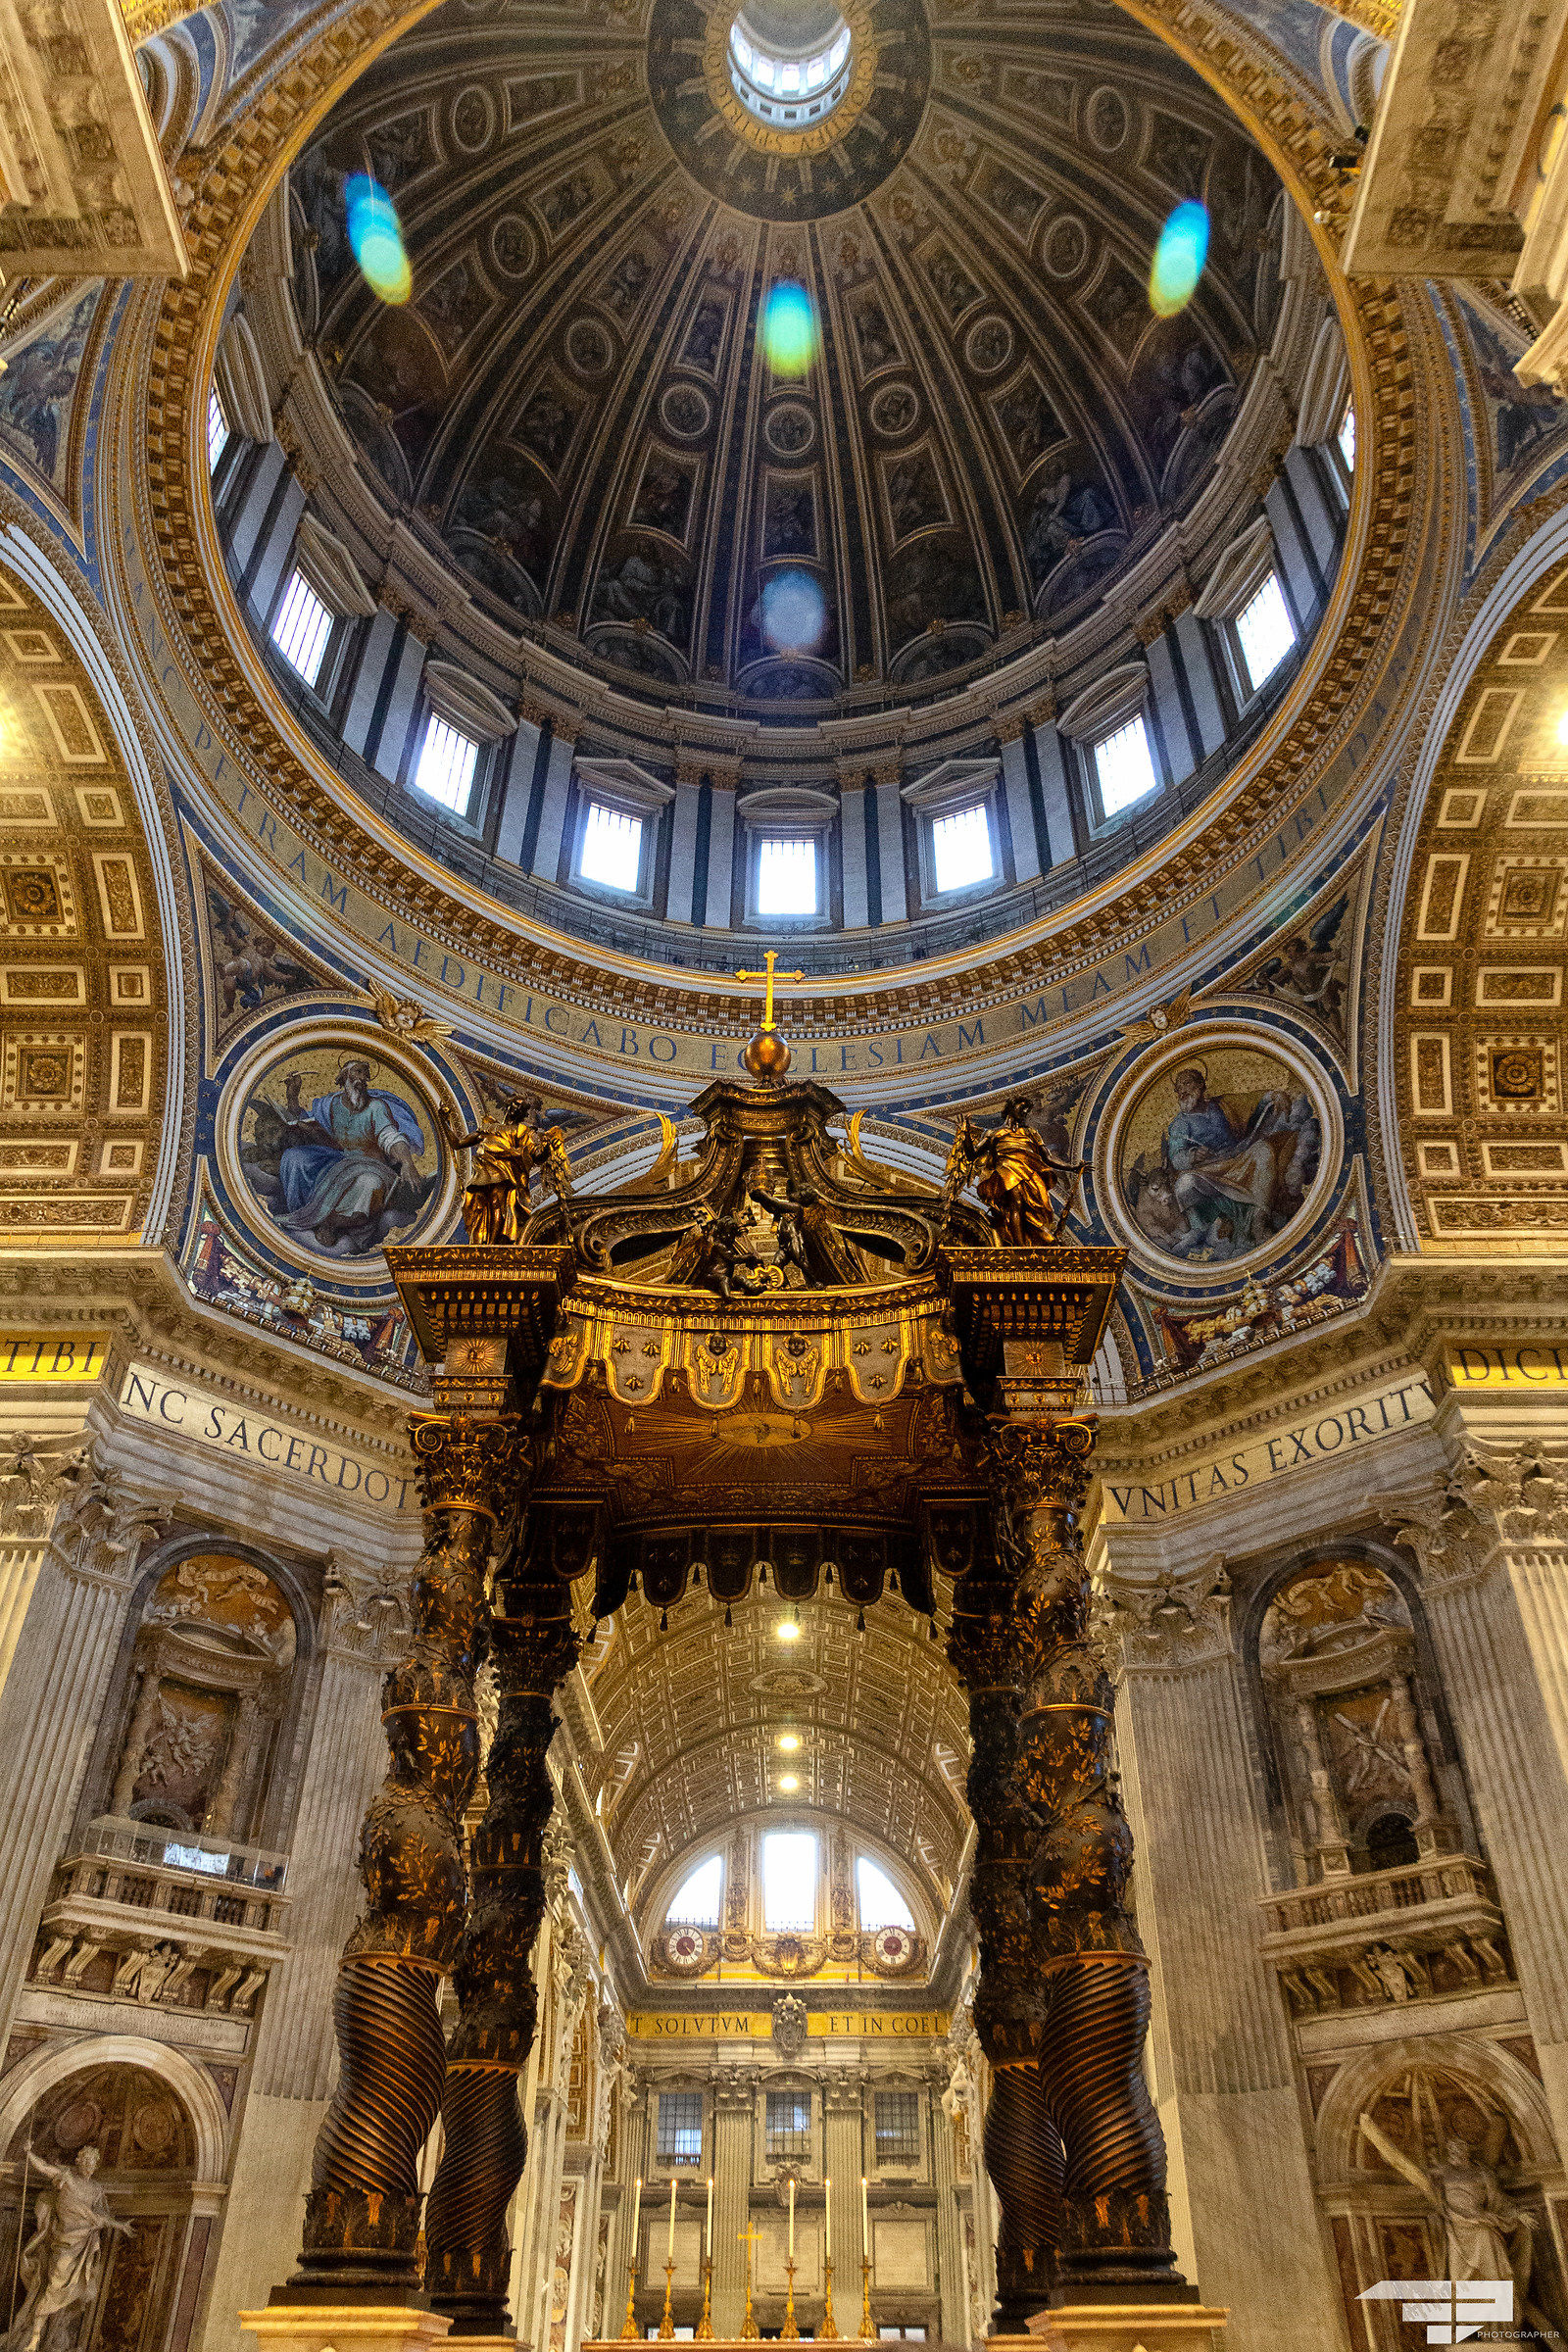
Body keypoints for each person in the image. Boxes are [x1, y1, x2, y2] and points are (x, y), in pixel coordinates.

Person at [269, 1059, 427, 1255]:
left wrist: (407, 1162)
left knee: (368, 1183)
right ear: (343, 1076)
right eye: (358, 1072)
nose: (362, 1078)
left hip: (372, 1166)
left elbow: (390, 1137)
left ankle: (332, 1224)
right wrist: (292, 1097)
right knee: (294, 1157)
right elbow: (305, 1119)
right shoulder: (330, 1104)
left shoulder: (375, 1107)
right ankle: (302, 1213)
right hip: (339, 1160)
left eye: (365, 1074)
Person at [3, 2146, 130, 2352]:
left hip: (82, 2244)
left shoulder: (97, 2190)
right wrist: (28, 2152)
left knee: (64, 2289)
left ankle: (40, 2336)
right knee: (53, 2286)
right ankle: (35, 2337)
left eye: (93, 2163)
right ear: (79, 2161)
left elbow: (101, 2217)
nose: (89, 2166)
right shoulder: (68, 2178)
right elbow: (45, 2168)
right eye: (86, 2161)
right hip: (63, 2241)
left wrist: (120, 2225)